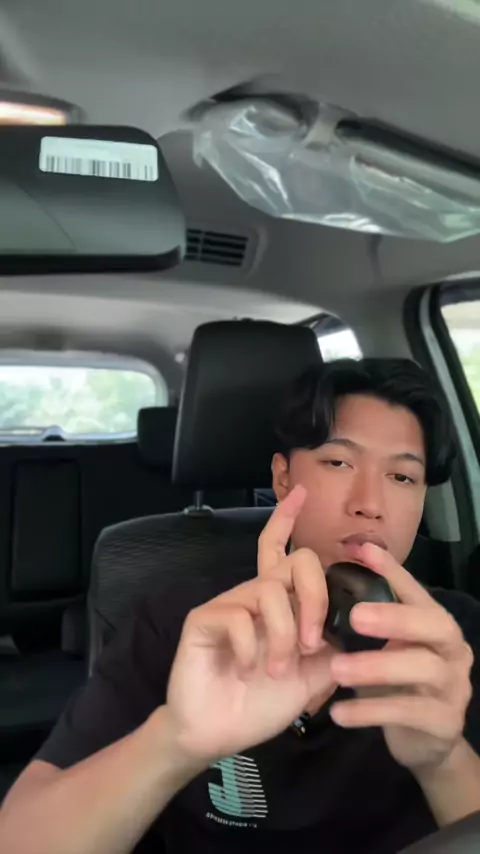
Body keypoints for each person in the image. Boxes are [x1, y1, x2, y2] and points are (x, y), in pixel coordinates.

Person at [1, 358, 480, 854]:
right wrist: (175, 741)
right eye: (339, 463)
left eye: (402, 477)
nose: (370, 504)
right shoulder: (183, 625)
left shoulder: (456, 638)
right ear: (283, 479)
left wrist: (443, 761)